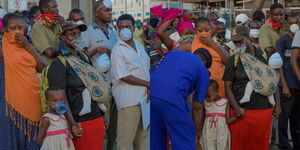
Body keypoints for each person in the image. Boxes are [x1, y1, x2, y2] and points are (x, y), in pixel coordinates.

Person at [47, 21, 107, 150]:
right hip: (78, 121)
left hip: (96, 118)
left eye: (78, 34)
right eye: (71, 34)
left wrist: (103, 115)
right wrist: (71, 122)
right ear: (62, 37)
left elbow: (92, 86)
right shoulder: (59, 64)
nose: (76, 37)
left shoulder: (84, 57)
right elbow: (59, 96)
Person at [223, 29, 281, 150]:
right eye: (235, 42)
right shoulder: (233, 60)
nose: (238, 44)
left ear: (248, 37)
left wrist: (278, 105)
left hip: (263, 111)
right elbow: (227, 87)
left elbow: (273, 81)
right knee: (239, 146)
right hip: (241, 113)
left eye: (240, 41)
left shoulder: (265, 56)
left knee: (260, 145)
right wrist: (237, 108)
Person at [150, 35, 209, 150]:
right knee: (185, 141)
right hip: (172, 99)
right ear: (205, 62)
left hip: (151, 96)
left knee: (156, 141)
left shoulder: (171, 53)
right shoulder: (202, 69)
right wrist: (197, 133)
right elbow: (197, 106)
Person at [1, 13, 47, 149]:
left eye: (20, 28)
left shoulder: (27, 47)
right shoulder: (2, 49)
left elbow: (43, 67)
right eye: (12, 28)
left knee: (31, 141)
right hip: (10, 105)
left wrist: (28, 46)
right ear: (4, 30)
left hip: (34, 102)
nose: (17, 32)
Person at [81, 1, 118, 149]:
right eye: (107, 10)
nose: (110, 13)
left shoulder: (112, 30)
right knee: (104, 123)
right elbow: (81, 57)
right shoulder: (88, 31)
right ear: (97, 12)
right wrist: (96, 50)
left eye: (110, 10)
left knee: (114, 125)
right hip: (99, 84)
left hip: (115, 82)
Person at [110, 14, 150, 150]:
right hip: (129, 101)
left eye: (127, 26)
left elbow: (145, 68)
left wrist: (148, 87)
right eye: (121, 27)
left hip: (142, 100)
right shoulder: (117, 50)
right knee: (124, 142)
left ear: (134, 28)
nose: (124, 29)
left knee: (140, 140)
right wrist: (148, 84)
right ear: (117, 29)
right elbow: (124, 76)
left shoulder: (138, 45)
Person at [276, 15, 300, 150]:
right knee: (284, 118)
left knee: (297, 120)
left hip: (298, 85)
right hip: (288, 86)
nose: (294, 24)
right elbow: (279, 64)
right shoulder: (282, 41)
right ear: (286, 24)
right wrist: (284, 85)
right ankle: (284, 145)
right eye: (291, 22)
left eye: (297, 22)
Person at [192, 17, 230, 98]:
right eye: (200, 30)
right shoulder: (190, 45)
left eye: (207, 30)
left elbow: (229, 62)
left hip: (220, 88)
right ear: (195, 31)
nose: (204, 33)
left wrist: (212, 43)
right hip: (202, 89)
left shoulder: (215, 44)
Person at [201, 79, 236, 150]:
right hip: (208, 132)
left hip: (221, 132)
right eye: (205, 96)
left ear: (217, 92)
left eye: (208, 96)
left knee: (222, 147)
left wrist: (237, 117)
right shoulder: (205, 103)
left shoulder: (225, 103)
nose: (207, 98)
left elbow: (228, 120)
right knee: (208, 146)